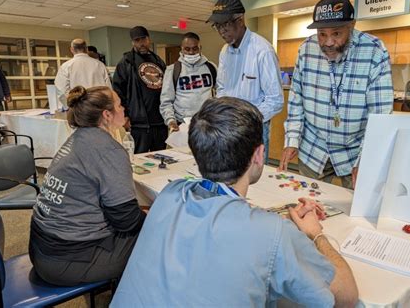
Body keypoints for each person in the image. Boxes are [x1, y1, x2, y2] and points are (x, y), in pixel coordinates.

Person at [111, 97, 358, 307]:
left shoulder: (170, 194)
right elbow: (347, 296)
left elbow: (221, 218)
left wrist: (280, 222)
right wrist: (316, 234)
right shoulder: (272, 234)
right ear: (259, 155)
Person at [29, 86, 145, 286]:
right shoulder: (108, 150)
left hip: (43, 249)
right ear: (107, 115)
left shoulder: (77, 139)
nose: (124, 108)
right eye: (119, 104)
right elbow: (126, 220)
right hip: (68, 260)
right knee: (158, 233)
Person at [279, 0, 393, 189]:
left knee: (357, 213)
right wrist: (292, 139)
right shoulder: (306, 49)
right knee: (309, 208)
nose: (328, 42)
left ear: (352, 26)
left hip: (354, 151)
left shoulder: (374, 50)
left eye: (337, 34)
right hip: (313, 149)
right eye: (322, 34)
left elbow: (380, 114)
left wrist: (366, 158)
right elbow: (296, 99)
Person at [207, 0, 283, 162]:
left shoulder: (262, 51)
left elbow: (275, 100)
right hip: (228, 127)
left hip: (254, 129)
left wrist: (246, 118)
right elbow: (221, 88)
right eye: (217, 25)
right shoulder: (224, 52)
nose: (221, 30)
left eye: (225, 24)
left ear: (240, 20)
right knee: (231, 177)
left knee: (255, 180)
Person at [113, 26, 168, 153]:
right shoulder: (126, 62)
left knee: (161, 157)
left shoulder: (158, 60)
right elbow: (118, 90)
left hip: (160, 121)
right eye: (137, 40)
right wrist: (125, 115)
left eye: (143, 39)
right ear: (133, 42)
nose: (141, 43)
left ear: (148, 39)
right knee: (139, 159)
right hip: (139, 122)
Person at [160, 32, 216, 132]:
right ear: (181, 49)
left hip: (208, 122)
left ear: (200, 48)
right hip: (182, 125)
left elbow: (221, 93)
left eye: (195, 48)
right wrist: (171, 121)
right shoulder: (173, 70)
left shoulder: (211, 67)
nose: (191, 52)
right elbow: (166, 101)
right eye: (187, 49)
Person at [54, 39, 111, 103]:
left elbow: (61, 91)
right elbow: (108, 88)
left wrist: (68, 106)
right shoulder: (100, 65)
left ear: (71, 49)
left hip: (78, 106)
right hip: (98, 105)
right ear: (86, 49)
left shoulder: (65, 66)